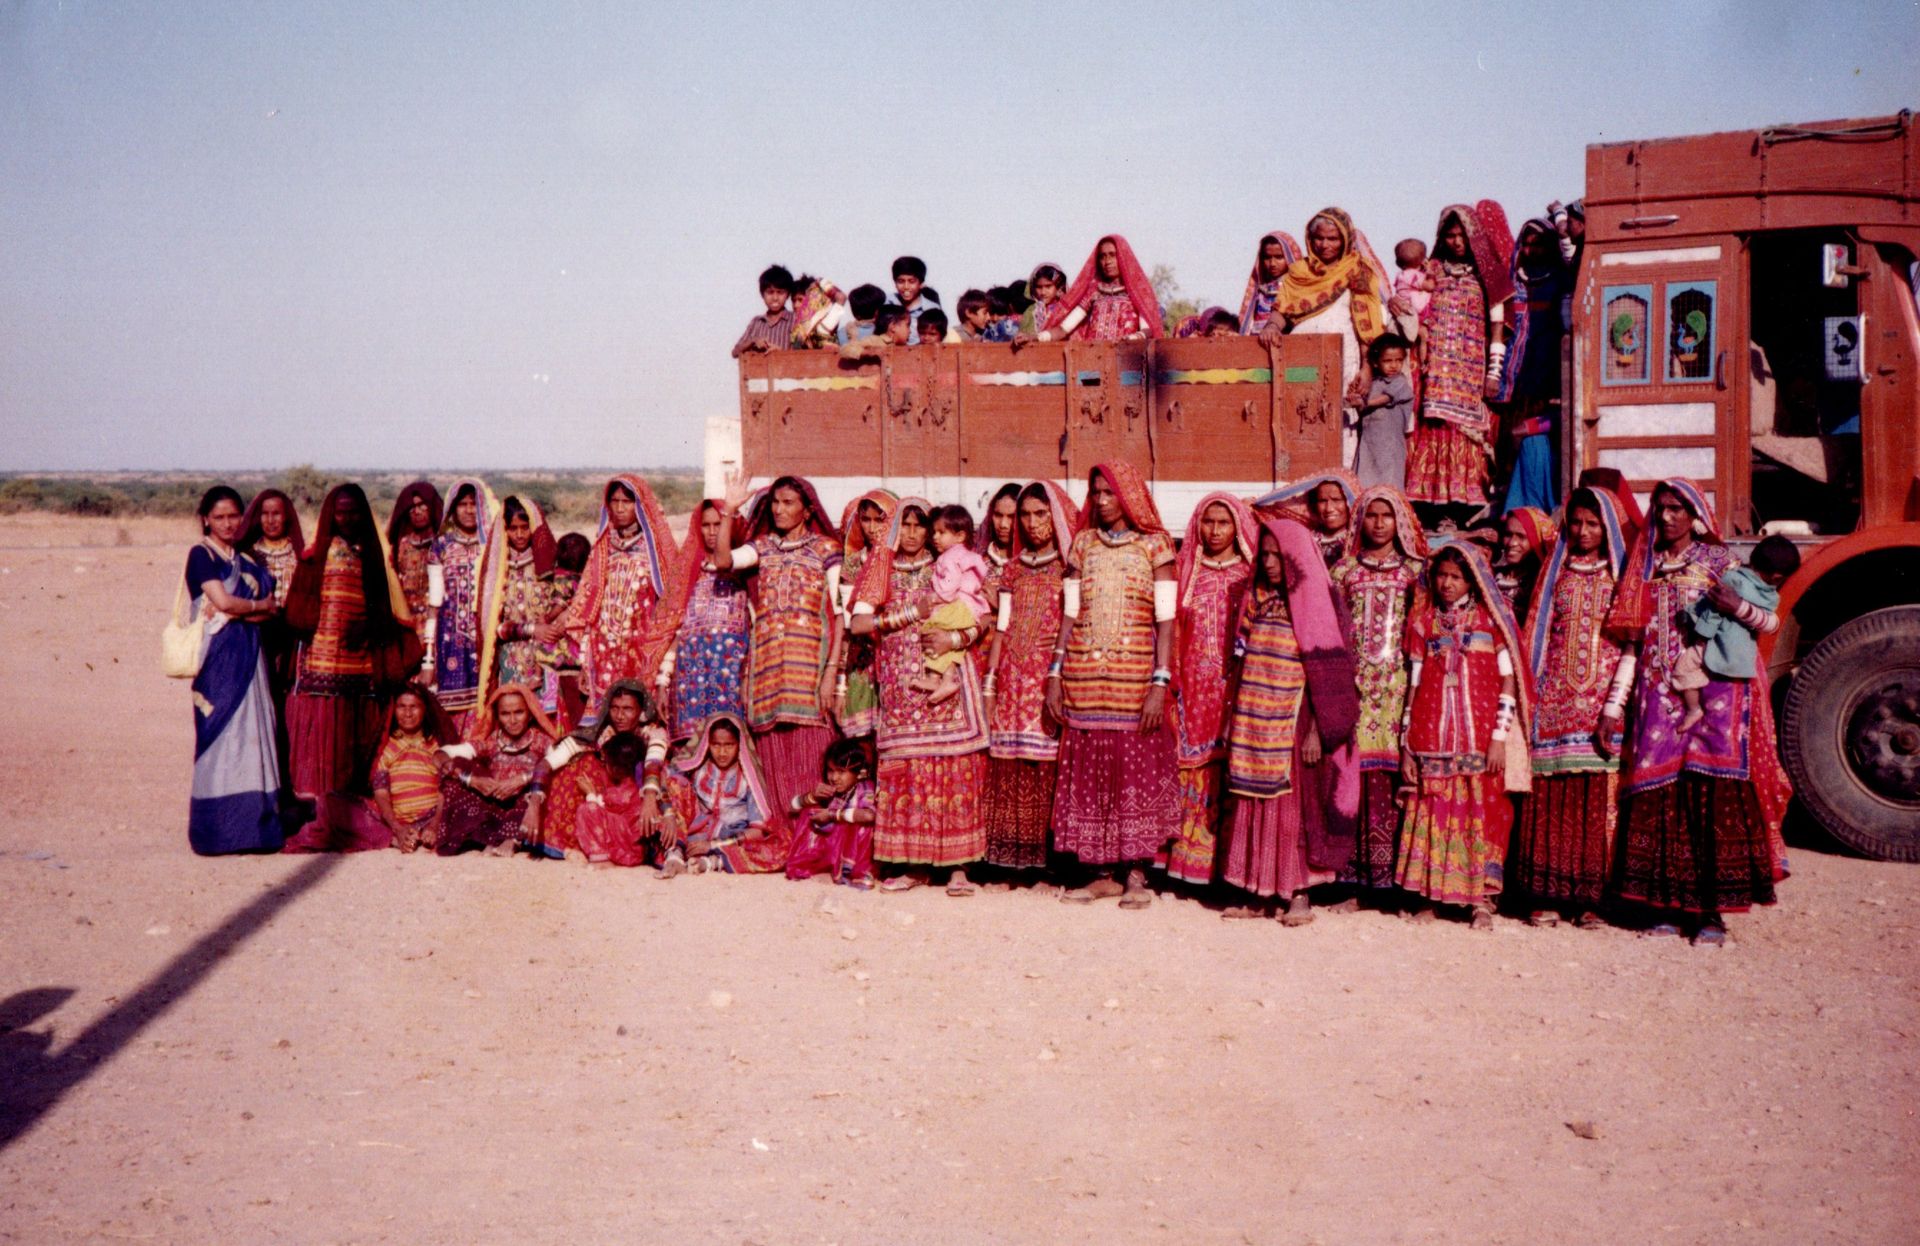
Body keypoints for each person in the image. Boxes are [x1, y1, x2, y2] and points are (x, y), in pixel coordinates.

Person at [1602, 481, 1792, 945]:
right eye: (1661, 509)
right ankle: (1664, 906)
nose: (1667, 518)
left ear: (1696, 514)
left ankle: (1710, 913)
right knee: (1661, 793)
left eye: (1677, 509)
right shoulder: (1643, 570)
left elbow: (1770, 620)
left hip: (1716, 697)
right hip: (1656, 693)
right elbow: (1631, 644)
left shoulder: (1721, 565)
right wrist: (1614, 703)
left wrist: (1739, 606)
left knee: (1709, 793)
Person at [1046, 463, 1178, 908]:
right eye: (1095, 492)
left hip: (1135, 679)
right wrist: (1055, 674)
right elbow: (1069, 614)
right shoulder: (1082, 545)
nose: (1100, 501)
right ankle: (1100, 873)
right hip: (1084, 679)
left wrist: (1160, 681)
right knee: (1092, 776)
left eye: (1109, 493)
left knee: (1134, 774)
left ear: (1129, 497)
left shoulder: (1156, 547)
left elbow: (1166, 620)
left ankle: (1137, 873)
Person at [1220, 518, 1361, 924]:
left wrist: (1317, 729)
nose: (1267, 562)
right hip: (1254, 719)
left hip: (1294, 721)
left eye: (1275, 555)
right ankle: (1256, 890)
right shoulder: (1257, 599)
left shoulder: (1313, 602)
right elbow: (1241, 661)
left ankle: (1299, 891)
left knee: (1294, 807)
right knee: (1252, 801)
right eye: (1263, 554)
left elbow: (1329, 672)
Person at [849, 498, 991, 894]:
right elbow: (859, 623)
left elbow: (982, 615)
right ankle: (914, 866)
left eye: (919, 526)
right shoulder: (881, 568)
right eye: (905, 525)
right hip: (899, 685)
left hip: (946, 683)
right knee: (909, 772)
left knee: (950, 769)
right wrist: (911, 613)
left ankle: (959, 867)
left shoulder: (947, 562)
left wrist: (953, 637)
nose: (912, 533)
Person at [1505, 488, 1629, 927]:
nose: (1582, 532)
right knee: (1550, 798)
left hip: (1601, 700)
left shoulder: (1621, 575)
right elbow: (1535, 632)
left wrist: (1615, 702)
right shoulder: (1553, 574)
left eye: (1593, 524)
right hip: (1553, 699)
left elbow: (1630, 642)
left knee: (1595, 799)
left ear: (1608, 528)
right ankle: (1546, 894)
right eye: (1576, 523)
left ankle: (1592, 899)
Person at [1396, 543, 1530, 929]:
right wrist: (1406, 744)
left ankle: (1481, 900)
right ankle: (1431, 895)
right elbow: (1414, 683)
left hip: (1479, 736)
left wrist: (1499, 737)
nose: (1447, 584)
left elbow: (1508, 678)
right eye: (1441, 576)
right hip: (1431, 735)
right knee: (1434, 809)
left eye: (1456, 577)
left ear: (1473, 580)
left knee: (1484, 811)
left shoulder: (1491, 623)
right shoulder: (1423, 625)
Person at [713, 473, 842, 816]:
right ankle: (786, 830)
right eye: (775, 503)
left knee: (813, 750)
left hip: (809, 672)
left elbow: (839, 614)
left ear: (808, 510)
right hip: (768, 673)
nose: (779, 510)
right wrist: (729, 511)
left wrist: (831, 672)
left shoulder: (826, 550)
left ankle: (815, 833)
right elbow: (723, 561)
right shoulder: (764, 547)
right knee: (775, 755)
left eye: (788, 503)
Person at [284, 484, 418, 804]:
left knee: (357, 725)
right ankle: (317, 801)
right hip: (321, 657)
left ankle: (355, 799)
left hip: (361, 659)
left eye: (353, 511)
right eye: (341, 511)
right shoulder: (316, 553)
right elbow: (299, 605)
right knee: (323, 722)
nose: (347, 518)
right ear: (332, 513)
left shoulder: (373, 553)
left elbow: (386, 607)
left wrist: (370, 625)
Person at [1330, 485, 1428, 895]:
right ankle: (1350, 882)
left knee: (1390, 780)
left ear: (1400, 520)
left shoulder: (1416, 573)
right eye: (1371, 515)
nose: (1379, 523)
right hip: (1354, 687)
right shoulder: (1342, 572)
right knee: (1352, 776)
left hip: (1397, 685)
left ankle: (1388, 884)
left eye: (1387, 515)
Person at [1159, 492, 1257, 888]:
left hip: (1235, 688)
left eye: (1224, 523)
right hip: (1193, 691)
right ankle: (1186, 865)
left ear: (1238, 527)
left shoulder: (1249, 575)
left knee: (1229, 767)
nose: (1215, 532)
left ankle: (1228, 868)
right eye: (1208, 523)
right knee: (1191, 767)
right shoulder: (1187, 573)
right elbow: (1171, 629)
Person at [981, 480, 1078, 876]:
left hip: (1048, 677)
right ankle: (1006, 863)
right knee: (1008, 761)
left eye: (1041, 514)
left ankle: (1047, 866)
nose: (1033, 523)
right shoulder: (1012, 569)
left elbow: (1071, 626)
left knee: (1045, 763)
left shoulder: (1069, 568)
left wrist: (1059, 674)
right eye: (1026, 515)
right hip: (1012, 679)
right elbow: (1002, 628)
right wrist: (990, 681)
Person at [183, 486, 285, 855]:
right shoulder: (200, 556)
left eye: (233, 516)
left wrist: (243, 609)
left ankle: (255, 831)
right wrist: (251, 605)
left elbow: (270, 609)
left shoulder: (246, 560)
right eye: (220, 517)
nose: (227, 524)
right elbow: (223, 600)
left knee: (255, 732)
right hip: (219, 662)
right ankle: (217, 832)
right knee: (220, 737)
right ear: (206, 519)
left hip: (250, 656)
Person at [1404, 205, 1512, 527]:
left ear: (1473, 236)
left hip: (1470, 373)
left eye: (1460, 235)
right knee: (1434, 433)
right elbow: (1408, 299)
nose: (1455, 242)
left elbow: (1497, 326)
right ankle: (1432, 512)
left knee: (1466, 440)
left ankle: (1462, 512)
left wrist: (1494, 373)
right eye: (1449, 236)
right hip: (1434, 372)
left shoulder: (1486, 275)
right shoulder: (1430, 270)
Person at [1270, 207, 1392, 465]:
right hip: (1301, 357)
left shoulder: (1357, 270)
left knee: (1338, 419)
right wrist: (1272, 326)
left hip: (1343, 358)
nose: (1324, 244)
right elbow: (1282, 310)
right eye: (1319, 238)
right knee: (1300, 414)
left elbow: (1366, 323)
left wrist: (1367, 368)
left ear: (1345, 238)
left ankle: (1338, 487)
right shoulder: (1298, 273)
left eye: (1333, 239)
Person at [560, 474, 683, 725]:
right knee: (601, 726)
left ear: (640, 505)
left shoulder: (657, 553)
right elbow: (588, 611)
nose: (619, 508)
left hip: (640, 654)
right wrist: (585, 662)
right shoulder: (602, 551)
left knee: (638, 725)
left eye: (626, 501)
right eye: (614, 501)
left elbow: (673, 608)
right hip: (602, 655)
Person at [283, 681, 456, 853]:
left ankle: (425, 834)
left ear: (425, 710)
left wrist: (434, 826)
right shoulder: (386, 746)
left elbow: (445, 789)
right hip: (392, 821)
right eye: (401, 707)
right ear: (393, 710)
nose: (408, 713)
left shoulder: (436, 745)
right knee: (331, 802)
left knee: (463, 798)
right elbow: (381, 793)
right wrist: (397, 827)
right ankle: (393, 839)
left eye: (414, 707)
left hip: (431, 818)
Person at [525, 679, 671, 858]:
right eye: (615, 708)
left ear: (641, 711)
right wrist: (533, 805)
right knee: (575, 767)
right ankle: (566, 842)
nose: (619, 716)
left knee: (664, 777)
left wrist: (649, 798)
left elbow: (653, 764)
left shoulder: (652, 733)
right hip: (602, 801)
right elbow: (545, 764)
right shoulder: (597, 733)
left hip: (637, 806)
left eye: (628, 709)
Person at [1673, 535, 1800, 733]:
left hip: (1717, 645)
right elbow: (1770, 623)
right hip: (1743, 656)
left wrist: (1700, 636)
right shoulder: (1771, 595)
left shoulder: (1733, 579)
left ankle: (1693, 710)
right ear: (1777, 577)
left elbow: (1712, 613)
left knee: (1684, 668)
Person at [1492, 218, 1573, 514]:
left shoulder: (1560, 279)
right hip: (1517, 369)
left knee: (1538, 434)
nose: (1529, 249)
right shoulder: (1515, 280)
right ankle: (1510, 500)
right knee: (1510, 433)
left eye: (1537, 243)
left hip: (1547, 366)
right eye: (1525, 243)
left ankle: (1539, 501)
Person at [657, 500, 753, 737]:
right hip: (690, 682)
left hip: (733, 678)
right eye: (706, 525)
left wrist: (750, 676)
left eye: (718, 525)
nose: (713, 532)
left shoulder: (746, 574)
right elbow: (675, 631)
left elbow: (757, 627)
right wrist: (662, 680)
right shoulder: (688, 573)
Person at [435, 684, 561, 857]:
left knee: (544, 786)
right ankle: (493, 837)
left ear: (530, 713)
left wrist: (522, 779)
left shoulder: (541, 741)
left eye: (519, 712)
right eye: (505, 714)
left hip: (526, 803)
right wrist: (471, 780)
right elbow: (441, 755)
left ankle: (511, 838)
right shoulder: (491, 742)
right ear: (497, 715)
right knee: (455, 774)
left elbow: (559, 763)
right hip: (495, 805)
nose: (512, 720)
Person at [237, 488, 304, 801]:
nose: (271, 519)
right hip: (259, 638)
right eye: (264, 513)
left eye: (277, 513)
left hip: (295, 642)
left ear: (287, 515)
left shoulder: (300, 553)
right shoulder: (249, 554)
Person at [664, 712, 793, 874]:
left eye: (729, 745)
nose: (722, 752)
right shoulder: (697, 769)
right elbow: (666, 780)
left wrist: (713, 845)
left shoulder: (749, 777)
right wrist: (669, 815)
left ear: (740, 744)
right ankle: (675, 855)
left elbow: (757, 831)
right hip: (695, 835)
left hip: (733, 840)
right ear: (706, 744)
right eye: (716, 745)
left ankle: (714, 862)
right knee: (674, 784)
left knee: (782, 847)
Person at [426, 478, 498, 731]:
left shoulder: (492, 544)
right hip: (450, 639)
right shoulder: (442, 546)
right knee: (451, 712)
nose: (469, 510)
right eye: (462, 504)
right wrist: (428, 660)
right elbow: (434, 602)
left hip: (486, 638)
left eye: (473, 504)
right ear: (452, 509)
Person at [832, 489, 898, 740]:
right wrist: (841, 684)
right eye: (866, 519)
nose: (872, 528)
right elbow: (848, 628)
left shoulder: (902, 561)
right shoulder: (852, 564)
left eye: (879, 520)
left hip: (895, 656)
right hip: (861, 662)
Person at [909, 506, 991, 704]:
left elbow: (949, 586)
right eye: (934, 532)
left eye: (941, 532)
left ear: (960, 535)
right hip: (971, 607)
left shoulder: (950, 557)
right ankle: (940, 679)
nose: (935, 537)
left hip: (961, 606)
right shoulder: (964, 554)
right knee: (945, 637)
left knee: (930, 626)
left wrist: (936, 596)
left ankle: (938, 677)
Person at [490, 495, 559, 708]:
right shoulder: (497, 569)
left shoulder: (549, 562)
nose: (519, 534)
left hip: (546, 656)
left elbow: (566, 599)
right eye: (513, 528)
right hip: (511, 659)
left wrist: (549, 621)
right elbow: (492, 626)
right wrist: (531, 629)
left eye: (524, 527)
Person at [783, 737, 880, 888]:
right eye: (830, 771)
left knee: (857, 823)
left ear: (859, 772)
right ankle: (815, 863)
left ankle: (857, 871)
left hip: (856, 849)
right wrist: (812, 796)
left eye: (841, 772)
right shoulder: (834, 791)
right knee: (808, 811)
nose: (834, 778)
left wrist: (832, 815)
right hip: (834, 847)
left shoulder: (865, 787)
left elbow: (870, 815)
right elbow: (792, 807)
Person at [1037, 236, 1163, 341]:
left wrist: (1132, 339)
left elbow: (1148, 330)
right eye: (1102, 256)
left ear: (1123, 257)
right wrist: (1037, 338)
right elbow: (1063, 329)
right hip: (1092, 361)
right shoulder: (1094, 292)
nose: (1107, 261)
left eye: (1112, 255)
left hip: (1126, 361)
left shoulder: (1138, 292)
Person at [571, 731, 656, 868]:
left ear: (616, 769)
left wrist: (591, 794)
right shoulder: (634, 785)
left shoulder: (626, 791)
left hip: (628, 849)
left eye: (607, 763)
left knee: (587, 809)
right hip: (631, 845)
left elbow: (601, 813)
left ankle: (600, 858)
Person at [537, 532, 590, 728]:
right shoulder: (583, 580)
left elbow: (559, 603)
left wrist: (548, 617)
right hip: (573, 637)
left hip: (560, 635)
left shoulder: (562, 579)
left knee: (544, 656)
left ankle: (539, 683)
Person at [1254, 471, 1358, 568]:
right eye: (1322, 501)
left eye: (1336, 500)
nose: (1329, 508)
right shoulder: (1305, 540)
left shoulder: (1358, 539)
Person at [386, 481, 442, 654]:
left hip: (437, 621)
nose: (417, 512)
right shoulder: (400, 544)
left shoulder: (444, 544)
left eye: (422, 506)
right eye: (412, 507)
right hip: (406, 621)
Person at [1355, 333, 1415, 489]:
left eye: (1398, 360)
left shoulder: (1401, 382)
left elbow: (1386, 398)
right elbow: (1362, 408)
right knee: (1364, 480)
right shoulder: (1373, 383)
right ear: (1375, 362)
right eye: (1387, 361)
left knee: (1389, 483)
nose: (1394, 365)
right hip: (1369, 444)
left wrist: (1365, 402)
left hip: (1390, 446)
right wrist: (1355, 401)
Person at [1497, 507, 1555, 626]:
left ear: (1537, 540)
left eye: (1521, 536)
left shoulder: (1544, 584)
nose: (1512, 543)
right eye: (1508, 534)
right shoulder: (1493, 574)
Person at [1238, 230, 1304, 336]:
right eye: (1267, 257)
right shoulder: (1258, 289)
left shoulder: (1299, 288)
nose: (1272, 263)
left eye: (1279, 257)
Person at [732, 264, 797, 358]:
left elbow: (802, 353)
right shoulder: (756, 322)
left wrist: (781, 353)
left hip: (787, 371)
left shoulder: (795, 320)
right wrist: (753, 340)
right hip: (760, 372)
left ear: (787, 295)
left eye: (780, 292)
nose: (775, 298)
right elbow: (735, 352)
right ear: (762, 294)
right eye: (770, 292)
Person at [1390, 239, 1434, 340]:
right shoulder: (1413, 275)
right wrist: (1430, 273)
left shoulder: (1401, 274)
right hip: (1414, 310)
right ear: (1422, 260)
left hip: (1404, 311)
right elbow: (1430, 286)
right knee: (1423, 337)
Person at [1018, 263, 1068, 337]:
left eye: (1048, 286)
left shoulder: (1065, 308)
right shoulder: (1031, 311)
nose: (1043, 292)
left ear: (1058, 287)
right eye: (1039, 287)